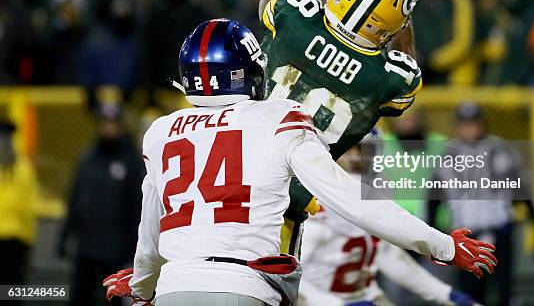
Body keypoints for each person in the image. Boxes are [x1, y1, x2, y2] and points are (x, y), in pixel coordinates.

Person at [102, 19, 496, 306]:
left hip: (174, 285)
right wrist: (441, 245)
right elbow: (351, 199)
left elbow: (150, 231)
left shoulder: (161, 131)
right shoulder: (276, 117)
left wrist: (141, 287)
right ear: (249, 71)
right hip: (246, 285)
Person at [258, 0, 439, 253]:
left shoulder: (294, 15)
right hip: (281, 217)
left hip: (220, 185)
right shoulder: (389, 79)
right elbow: (403, 62)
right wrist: (405, 3)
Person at [299, 133, 479, 306]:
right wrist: (338, 304)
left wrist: (445, 294)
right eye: (349, 149)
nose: (356, 157)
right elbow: (292, 277)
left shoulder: (376, 188)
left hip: (365, 296)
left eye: (363, 150)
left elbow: (389, 256)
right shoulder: (314, 208)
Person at [428, 101, 534, 306]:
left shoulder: (501, 149)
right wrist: (432, 230)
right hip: (466, 235)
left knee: (503, 289)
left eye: (474, 122)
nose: (470, 128)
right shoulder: (448, 155)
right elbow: (434, 195)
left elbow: (522, 186)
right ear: (458, 126)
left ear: (483, 123)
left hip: (499, 228)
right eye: (466, 123)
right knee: (471, 291)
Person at [59, 103, 144, 306]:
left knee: (112, 298)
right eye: (104, 123)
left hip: (116, 247)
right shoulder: (88, 158)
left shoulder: (130, 160)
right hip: (87, 245)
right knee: (80, 296)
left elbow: (137, 206)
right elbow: (76, 198)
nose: (108, 128)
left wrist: (136, 246)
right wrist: (65, 235)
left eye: (112, 123)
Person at [0, 119, 37, 305]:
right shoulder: (23, 167)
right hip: (15, 239)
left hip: (14, 240)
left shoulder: (22, 168)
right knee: (11, 292)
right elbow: (28, 208)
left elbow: (28, 207)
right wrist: (28, 241)